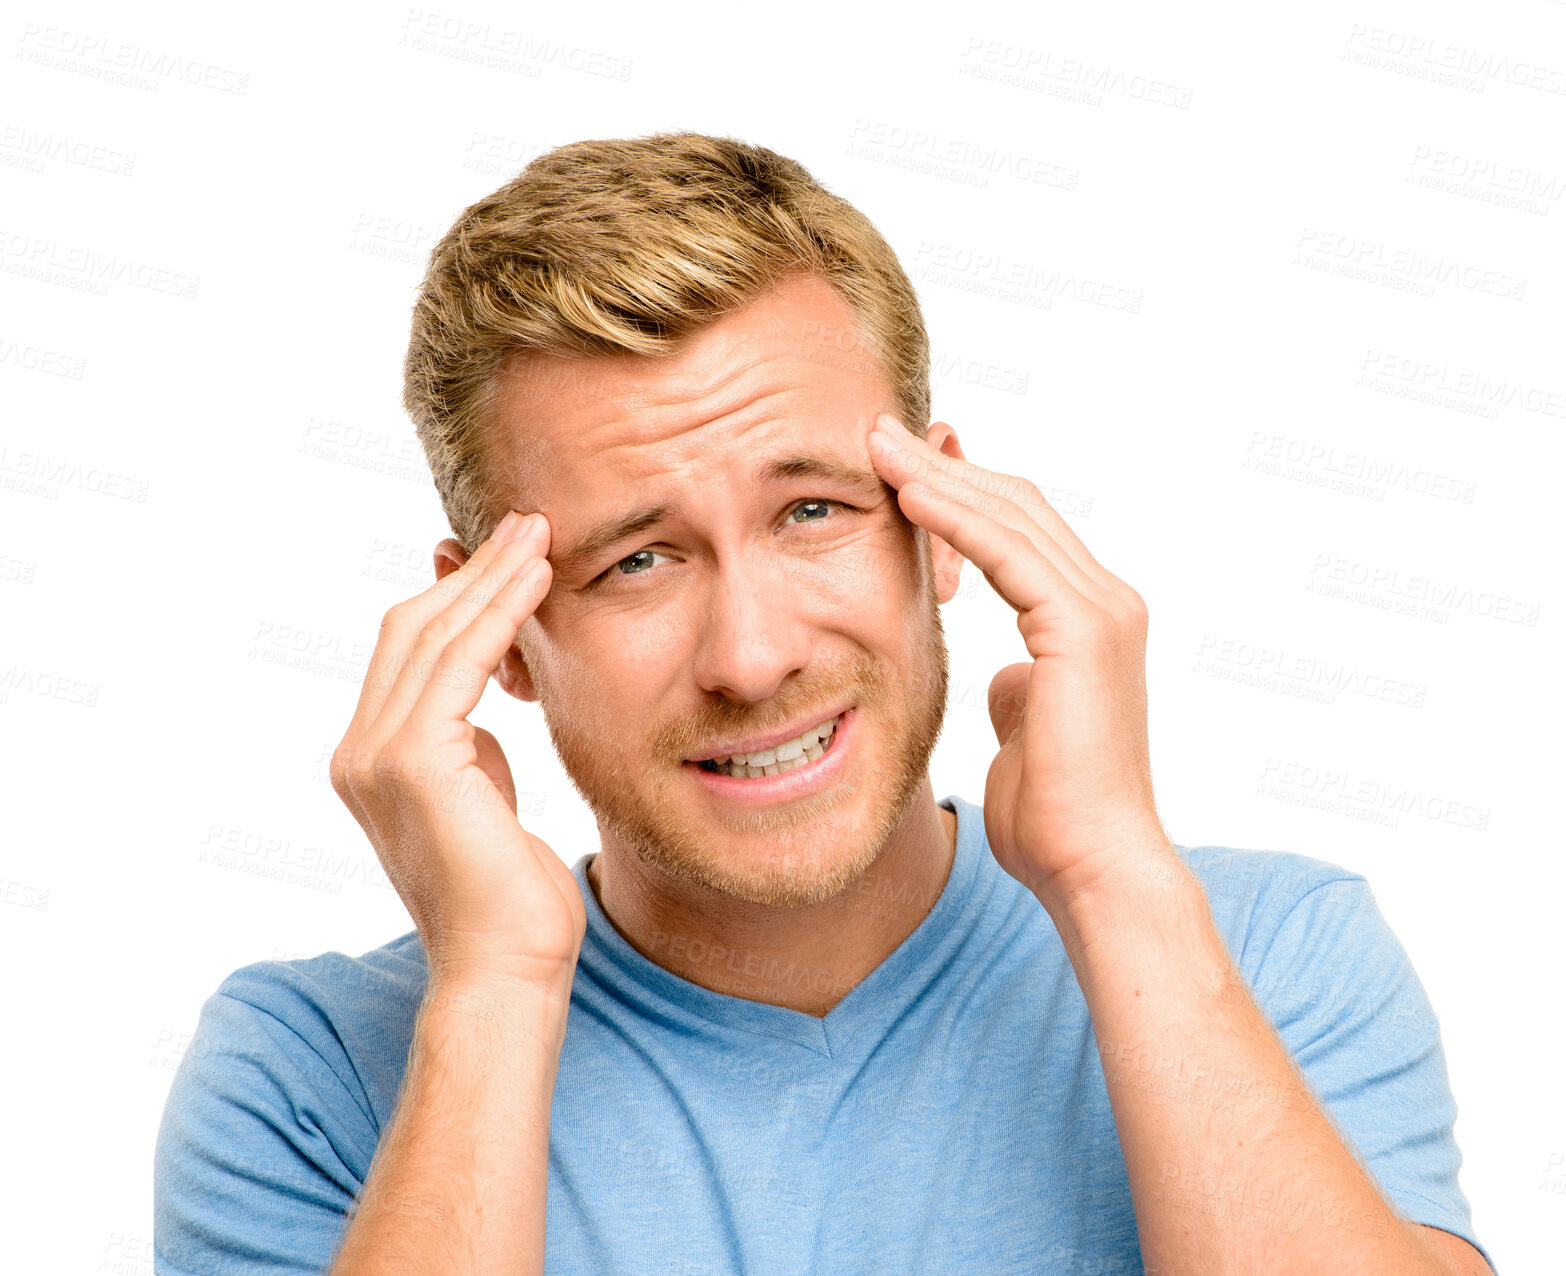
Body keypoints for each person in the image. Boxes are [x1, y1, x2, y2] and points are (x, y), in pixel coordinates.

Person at [154, 132, 1495, 1275]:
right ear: (491, 631)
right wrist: (496, 982)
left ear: (943, 523)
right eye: (635, 559)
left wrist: (1112, 883)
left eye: (812, 510)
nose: (749, 655)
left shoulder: (1265, 957)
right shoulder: (309, 1076)